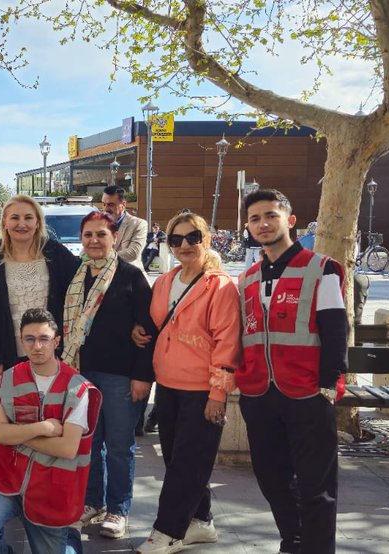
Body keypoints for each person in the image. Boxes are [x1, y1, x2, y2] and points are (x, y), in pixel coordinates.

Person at [236, 189, 347, 554]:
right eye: (254, 218)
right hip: (259, 395)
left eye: (270, 215)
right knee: (271, 479)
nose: (262, 224)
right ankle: (294, 540)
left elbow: (335, 331)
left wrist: (329, 386)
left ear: (290, 219)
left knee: (317, 486)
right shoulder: (248, 277)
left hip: (308, 393)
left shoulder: (322, 268)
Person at [135, 212, 241, 553]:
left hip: (201, 389)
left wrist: (218, 394)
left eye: (192, 237)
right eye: (176, 239)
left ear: (206, 240)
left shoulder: (220, 286)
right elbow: (155, 325)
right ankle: (201, 521)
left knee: (185, 465)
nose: (185, 245)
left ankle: (166, 531)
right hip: (167, 385)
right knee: (179, 461)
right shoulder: (165, 282)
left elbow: (228, 342)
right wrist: (138, 331)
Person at [0, 308, 100, 554]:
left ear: (57, 341)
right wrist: (43, 428)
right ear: (21, 341)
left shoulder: (78, 388)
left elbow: (67, 448)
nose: (37, 346)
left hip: (51, 488)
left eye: (44, 339)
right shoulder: (10, 377)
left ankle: (69, 536)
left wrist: (17, 434)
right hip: (8, 476)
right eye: (29, 339)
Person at [58, 211, 154, 539]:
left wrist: (143, 377)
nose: (95, 241)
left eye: (102, 234)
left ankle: (118, 508)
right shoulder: (75, 274)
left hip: (120, 376)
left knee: (118, 445)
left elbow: (148, 330)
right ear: (81, 239)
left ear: (115, 238)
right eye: (88, 235)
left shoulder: (130, 276)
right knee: (88, 443)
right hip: (81, 373)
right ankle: (92, 501)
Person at [0, 196, 81, 386]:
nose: (21, 224)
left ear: (38, 222)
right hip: (10, 358)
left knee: (52, 413)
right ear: (5, 222)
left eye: (28, 218)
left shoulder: (56, 254)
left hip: (53, 356)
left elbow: (82, 289)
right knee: (17, 414)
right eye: (15, 218)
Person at [101, 185, 148, 266]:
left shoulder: (139, 224)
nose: (105, 209)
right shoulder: (97, 224)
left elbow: (133, 253)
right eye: (104, 204)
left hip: (130, 276)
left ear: (123, 205)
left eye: (111, 205)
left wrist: (101, 258)